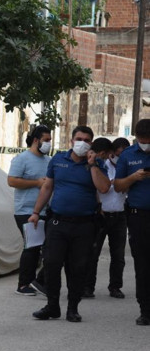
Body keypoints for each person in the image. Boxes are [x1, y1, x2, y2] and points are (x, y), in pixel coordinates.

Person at [28, 126, 111, 322]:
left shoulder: (97, 163)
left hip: (84, 225)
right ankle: (52, 306)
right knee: (52, 264)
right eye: (79, 138)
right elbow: (48, 186)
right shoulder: (58, 160)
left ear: (91, 143)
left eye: (87, 140)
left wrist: (92, 165)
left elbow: (104, 188)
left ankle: (72, 308)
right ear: (72, 141)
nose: (82, 142)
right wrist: (35, 212)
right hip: (58, 222)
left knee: (78, 267)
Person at [7, 125, 52, 296]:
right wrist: (36, 183)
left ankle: (38, 282)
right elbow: (12, 181)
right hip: (25, 210)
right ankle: (24, 284)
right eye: (46, 140)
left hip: (46, 210)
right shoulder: (22, 159)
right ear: (36, 140)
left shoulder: (49, 161)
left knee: (48, 248)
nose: (49, 144)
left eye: (50, 140)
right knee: (32, 247)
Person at [114, 119, 150, 326]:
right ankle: (145, 309)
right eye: (143, 141)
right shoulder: (127, 155)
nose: (146, 145)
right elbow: (117, 186)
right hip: (138, 217)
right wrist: (133, 178)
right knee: (143, 264)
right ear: (136, 137)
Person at [83, 137, 129, 299]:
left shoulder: (126, 167)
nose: (119, 157)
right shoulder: (101, 164)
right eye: (116, 153)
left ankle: (115, 286)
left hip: (119, 214)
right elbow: (99, 187)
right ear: (109, 153)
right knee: (93, 253)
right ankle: (88, 287)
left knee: (118, 255)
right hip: (101, 214)